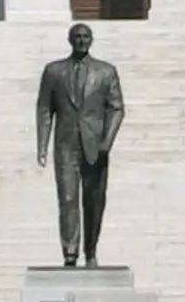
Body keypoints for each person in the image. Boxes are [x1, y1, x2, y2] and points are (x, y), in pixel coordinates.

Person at [35, 20, 125, 266]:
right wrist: (42, 145)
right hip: (66, 146)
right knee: (67, 199)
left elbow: (116, 108)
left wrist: (107, 141)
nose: (82, 40)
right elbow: (44, 109)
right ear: (70, 40)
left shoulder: (106, 71)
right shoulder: (53, 71)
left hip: (96, 146)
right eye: (77, 36)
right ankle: (70, 253)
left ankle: (91, 250)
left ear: (92, 40)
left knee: (94, 199)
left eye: (86, 36)